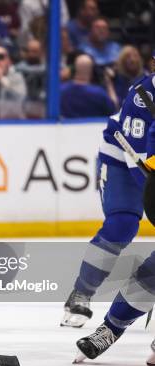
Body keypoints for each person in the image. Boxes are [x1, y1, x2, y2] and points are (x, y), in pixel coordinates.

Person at [61, 53, 155, 330]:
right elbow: (138, 158)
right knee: (122, 224)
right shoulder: (143, 95)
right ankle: (82, 293)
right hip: (123, 160)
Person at [60, 54, 115, 118]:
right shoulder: (98, 93)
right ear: (91, 71)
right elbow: (113, 109)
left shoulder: (61, 90)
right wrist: (109, 83)